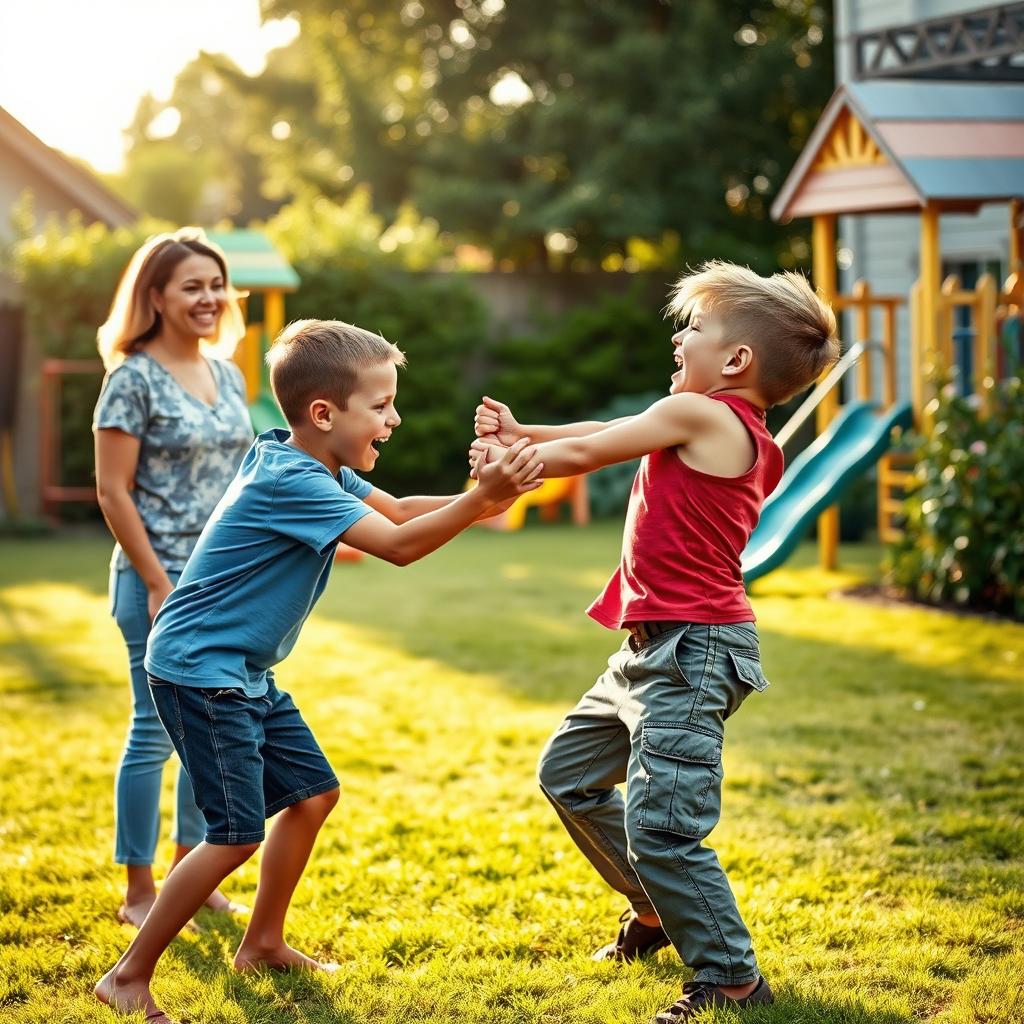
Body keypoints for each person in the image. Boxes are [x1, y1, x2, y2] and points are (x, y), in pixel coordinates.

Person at [94, 319, 544, 1023]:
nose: (394, 418)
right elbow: (396, 546)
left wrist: (486, 503)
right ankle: (126, 976)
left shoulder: (311, 465)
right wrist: (479, 502)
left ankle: (263, 943)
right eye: (382, 405)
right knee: (236, 832)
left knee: (311, 796)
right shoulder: (289, 481)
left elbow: (396, 513)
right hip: (200, 671)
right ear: (324, 412)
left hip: (239, 670)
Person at [472, 261, 839, 1023]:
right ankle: (654, 907)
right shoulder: (701, 418)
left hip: (693, 654)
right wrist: (523, 434)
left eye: (696, 328)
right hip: (648, 652)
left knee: (665, 827)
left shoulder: (707, 418)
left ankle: (731, 979)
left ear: (736, 361)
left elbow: (589, 454)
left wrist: (513, 467)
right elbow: (606, 434)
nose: (681, 337)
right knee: (568, 774)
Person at [93, 229, 254, 928]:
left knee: (209, 730)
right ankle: (138, 890)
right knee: (153, 733)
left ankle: (197, 871)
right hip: (155, 582)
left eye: (216, 284)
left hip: (223, 583)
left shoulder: (231, 374)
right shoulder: (130, 378)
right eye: (192, 286)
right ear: (155, 296)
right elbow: (112, 491)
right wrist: (158, 583)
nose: (209, 297)